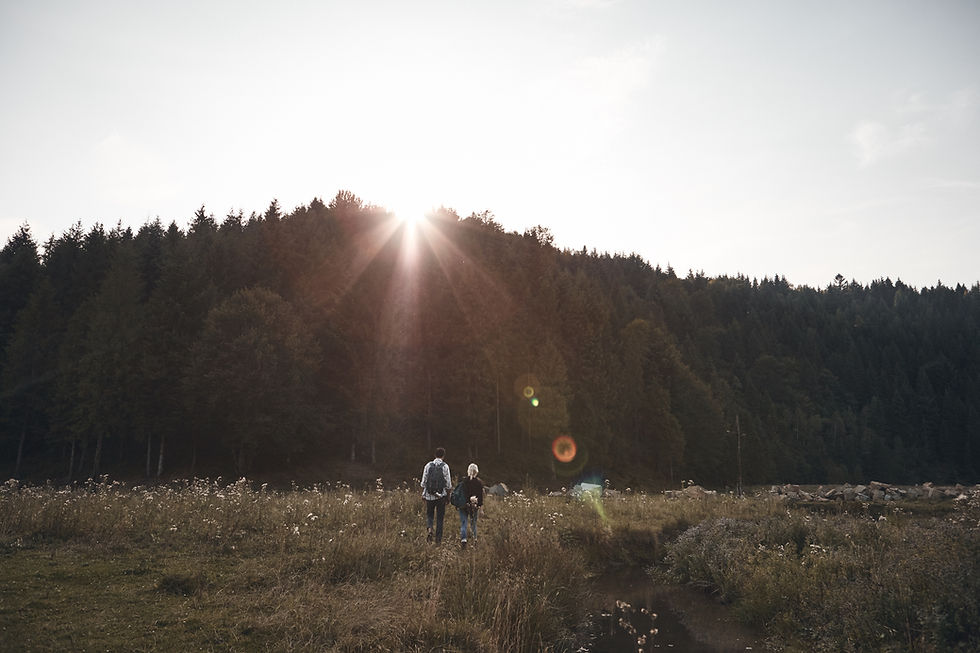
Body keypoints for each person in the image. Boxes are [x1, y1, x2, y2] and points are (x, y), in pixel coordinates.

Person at [421, 447, 451, 544]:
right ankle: (438, 540)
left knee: (430, 515)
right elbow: (448, 484)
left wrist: (424, 494)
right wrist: (448, 497)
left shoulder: (428, 465)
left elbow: (423, 482)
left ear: (435, 455)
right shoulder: (445, 466)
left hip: (429, 496)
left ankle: (430, 530)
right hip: (441, 496)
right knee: (440, 518)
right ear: (443, 456)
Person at [457, 462, 484, 548]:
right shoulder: (479, 483)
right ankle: (474, 540)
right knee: (473, 523)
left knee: (464, 523)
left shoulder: (463, 481)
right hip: (474, 506)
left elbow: (460, 494)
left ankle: (464, 540)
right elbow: (480, 497)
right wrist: (481, 509)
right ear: (476, 472)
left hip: (463, 505)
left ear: (468, 471)